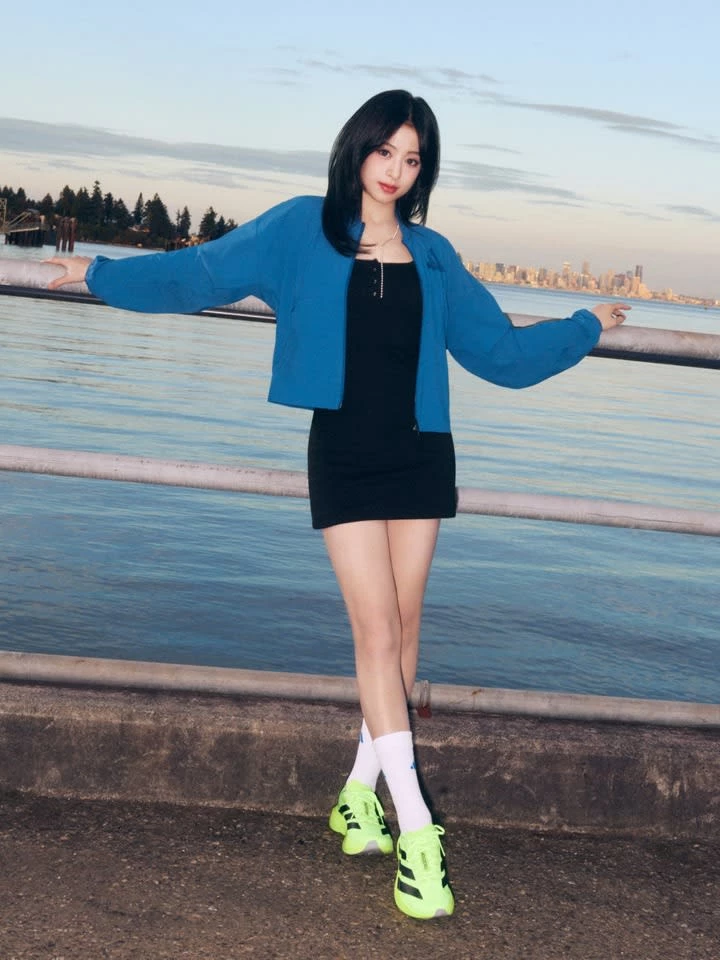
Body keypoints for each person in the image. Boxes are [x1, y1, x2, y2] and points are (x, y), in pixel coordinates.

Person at [48, 89, 629, 921]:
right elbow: (200, 272)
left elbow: (498, 351)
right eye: (385, 151)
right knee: (376, 632)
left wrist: (583, 326)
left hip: (421, 451)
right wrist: (100, 273)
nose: (395, 171)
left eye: (413, 159)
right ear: (357, 148)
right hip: (346, 455)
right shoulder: (300, 229)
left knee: (406, 627)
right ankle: (417, 834)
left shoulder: (432, 254)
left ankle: (360, 795)